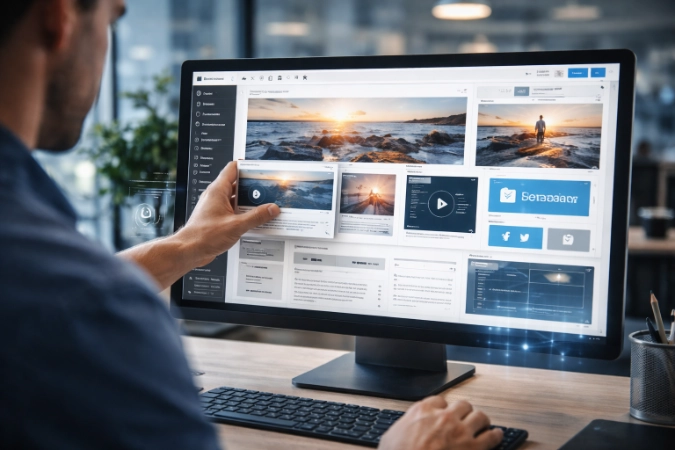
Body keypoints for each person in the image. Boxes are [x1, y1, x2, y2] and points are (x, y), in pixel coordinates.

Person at [0, 1, 503, 449]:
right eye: (114, 17)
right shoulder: (79, 310)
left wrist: (185, 246)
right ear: (60, 16)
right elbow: (72, 303)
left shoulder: (43, 279)